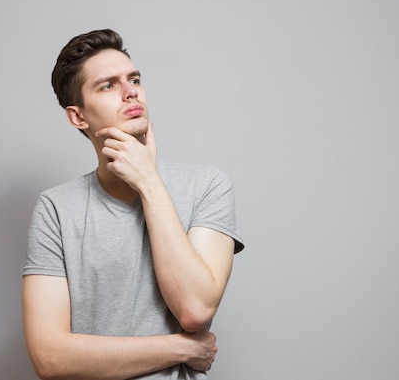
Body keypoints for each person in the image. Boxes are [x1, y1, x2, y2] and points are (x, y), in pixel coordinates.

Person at [22, 29, 244, 380]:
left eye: (134, 79)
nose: (131, 91)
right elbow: (50, 359)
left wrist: (149, 183)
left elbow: (195, 310)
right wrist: (182, 348)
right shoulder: (56, 209)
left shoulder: (206, 186)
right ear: (78, 117)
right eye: (108, 85)